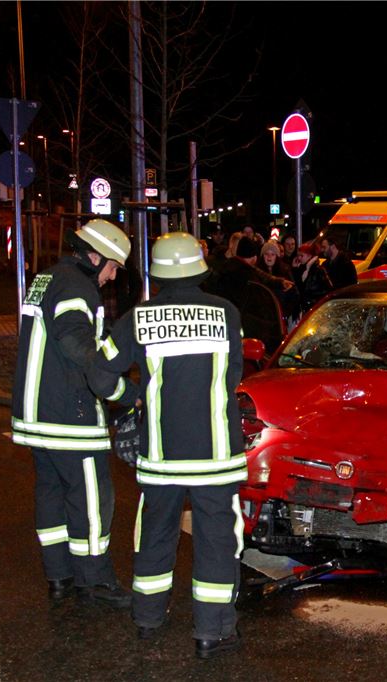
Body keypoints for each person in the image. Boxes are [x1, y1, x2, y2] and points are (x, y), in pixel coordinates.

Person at [87, 232, 247, 659]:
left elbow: (100, 375)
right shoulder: (226, 313)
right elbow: (233, 378)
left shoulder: (138, 317)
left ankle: (147, 618)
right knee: (216, 539)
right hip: (216, 456)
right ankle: (212, 632)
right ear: (200, 266)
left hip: (161, 455)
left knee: (156, 533)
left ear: (156, 272)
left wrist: (132, 396)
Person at [10, 219, 133, 609]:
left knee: (51, 493)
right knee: (93, 498)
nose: (112, 276)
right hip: (68, 415)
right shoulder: (76, 287)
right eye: (112, 265)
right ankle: (94, 581)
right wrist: (122, 391)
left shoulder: (47, 277)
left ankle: (59, 576)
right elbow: (78, 346)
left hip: (35, 414)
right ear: (94, 255)